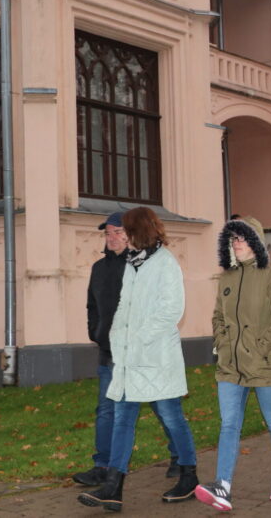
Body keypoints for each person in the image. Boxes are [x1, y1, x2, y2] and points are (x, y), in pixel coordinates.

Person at [77, 208, 198, 511]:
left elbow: (171, 311)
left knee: (171, 416)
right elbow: (123, 308)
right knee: (122, 420)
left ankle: (189, 475)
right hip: (127, 359)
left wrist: (138, 339)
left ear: (138, 231)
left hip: (156, 359)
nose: (120, 237)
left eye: (125, 231)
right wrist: (118, 340)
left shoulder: (165, 263)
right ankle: (113, 487)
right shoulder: (133, 264)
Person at [195, 217, 271, 512]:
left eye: (242, 238)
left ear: (256, 242)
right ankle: (223, 486)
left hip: (264, 365)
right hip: (230, 367)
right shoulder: (226, 278)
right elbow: (218, 316)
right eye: (233, 239)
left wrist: (261, 347)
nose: (236, 243)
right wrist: (223, 343)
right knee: (229, 424)